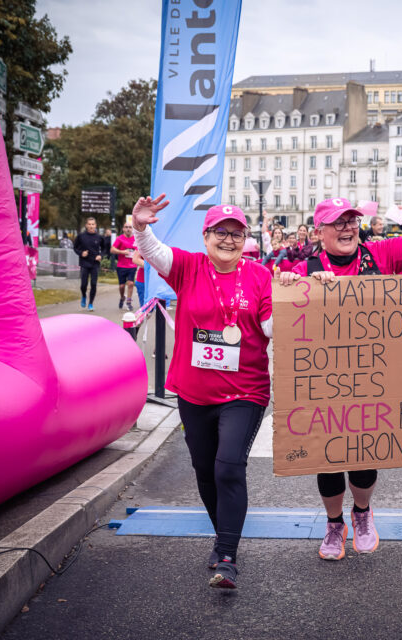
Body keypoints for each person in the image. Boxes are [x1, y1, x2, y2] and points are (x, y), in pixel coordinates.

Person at [279, 173, 402, 562]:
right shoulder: (304, 268)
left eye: (352, 220)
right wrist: (288, 284)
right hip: (321, 380)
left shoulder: (381, 255)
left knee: (365, 454)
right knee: (328, 456)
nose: (348, 227)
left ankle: (363, 513)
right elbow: (281, 320)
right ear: (319, 232)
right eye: (339, 222)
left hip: (372, 377)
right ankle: (335, 524)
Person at [132, 196, 273, 590]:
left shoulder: (259, 275)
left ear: (245, 238)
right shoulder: (189, 267)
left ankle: (227, 556)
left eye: (237, 233)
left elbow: (269, 327)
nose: (229, 240)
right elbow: (153, 252)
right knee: (205, 470)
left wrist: (295, 304)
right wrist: (141, 227)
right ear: (206, 235)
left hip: (245, 391)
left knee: (228, 466)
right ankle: (221, 534)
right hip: (194, 392)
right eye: (221, 232)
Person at [72, 217, 104, 311]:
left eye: (93, 224)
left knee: (93, 284)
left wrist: (100, 255)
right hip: (84, 263)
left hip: (95, 263)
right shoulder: (81, 236)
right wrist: (81, 253)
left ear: (95, 225)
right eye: (89, 224)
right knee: (83, 284)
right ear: (86, 225)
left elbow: (104, 249)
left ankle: (90, 304)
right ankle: (83, 296)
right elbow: (75, 248)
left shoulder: (99, 237)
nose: (91, 226)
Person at [111, 222, 137, 310]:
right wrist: (123, 252)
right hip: (121, 266)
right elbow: (112, 249)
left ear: (132, 229)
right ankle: (122, 297)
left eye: (130, 227)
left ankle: (129, 302)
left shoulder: (135, 239)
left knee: (131, 283)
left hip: (132, 265)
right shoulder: (120, 239)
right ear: (123, 229)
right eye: (126, 227)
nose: (128, 229)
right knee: (122, 286)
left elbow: (139, 250)